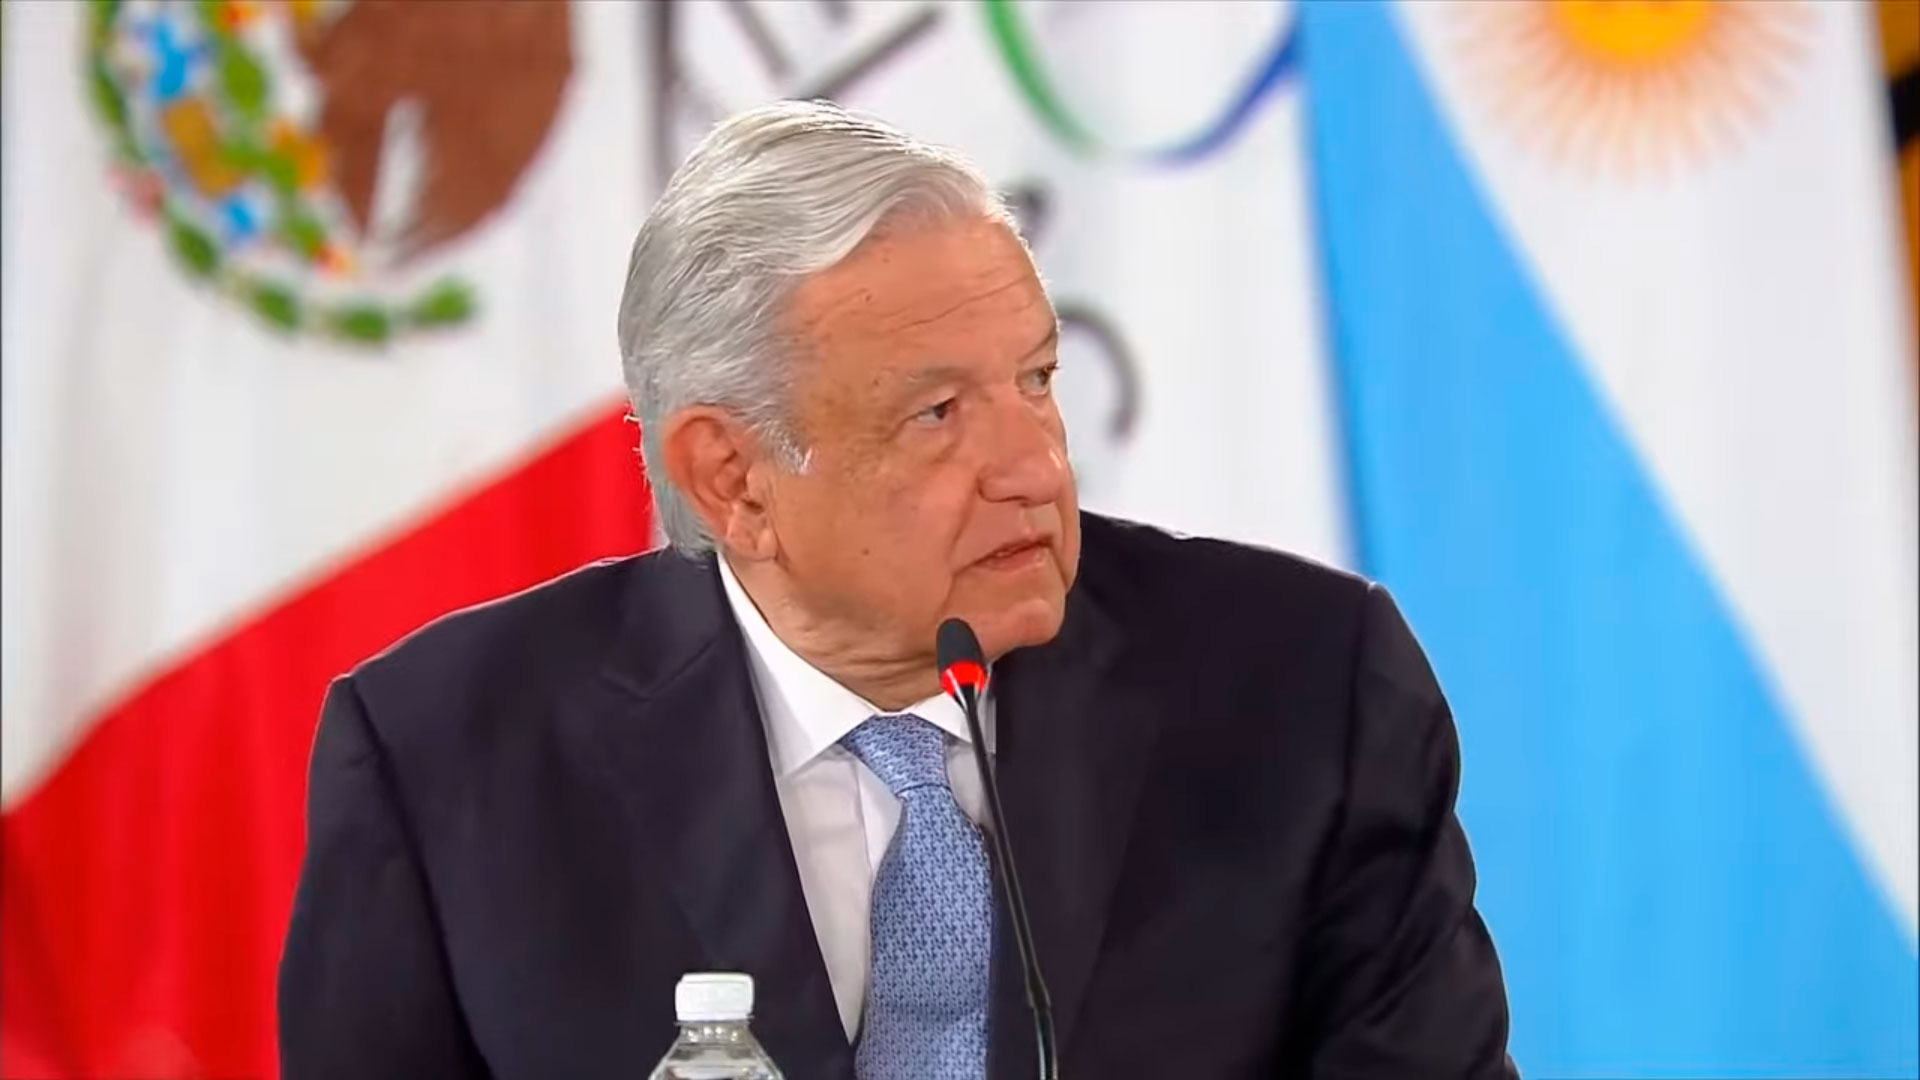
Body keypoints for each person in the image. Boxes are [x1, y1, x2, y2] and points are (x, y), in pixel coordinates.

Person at [278, 99, 1518, 1080]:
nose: (1036, 467)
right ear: (733, 480)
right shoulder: (446, 759)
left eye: (1037, 380)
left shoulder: (1305, 694)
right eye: (937, 415)